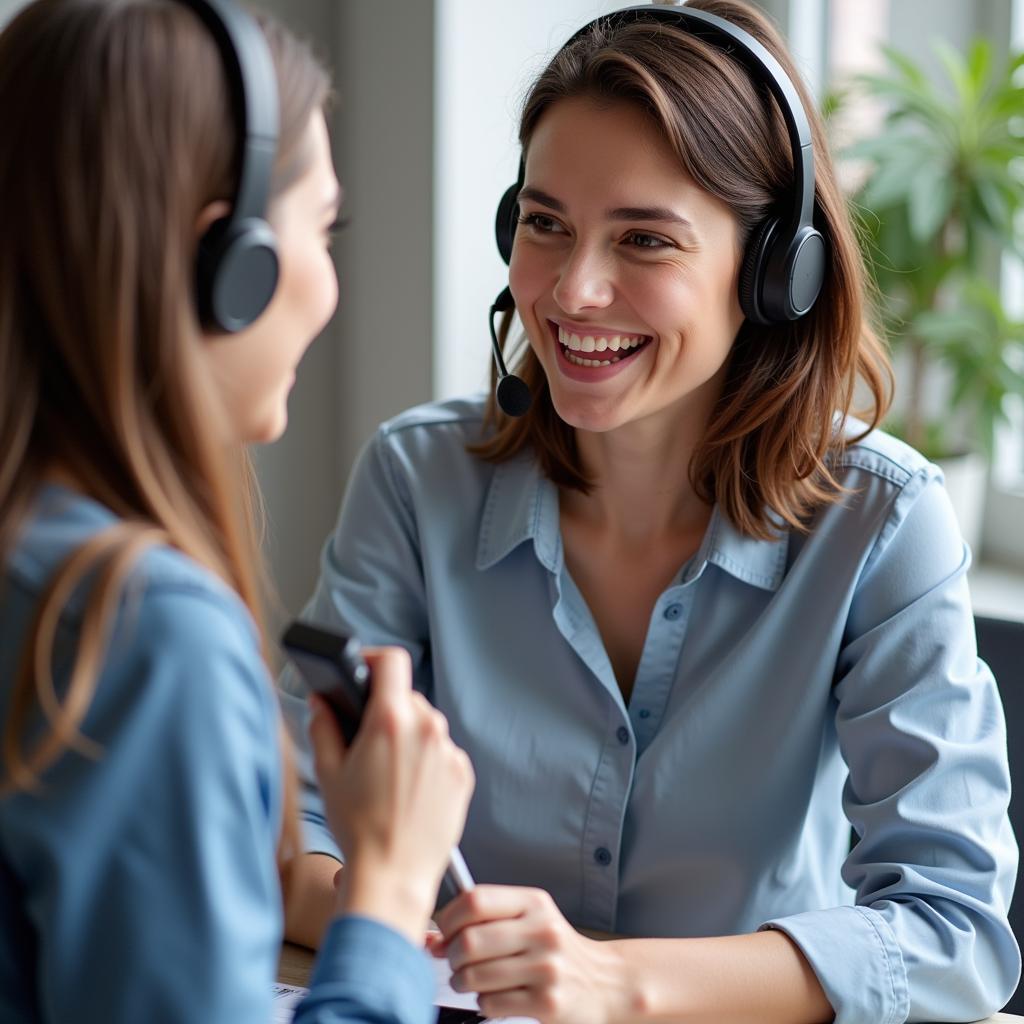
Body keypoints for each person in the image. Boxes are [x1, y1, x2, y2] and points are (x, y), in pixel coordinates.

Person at [278, 1, 1022, 1022]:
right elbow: (292, 828)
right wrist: (443, 940)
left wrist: (609, 980)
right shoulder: (416, 481)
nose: (575, 290)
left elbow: (955, 934)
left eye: (645, 240)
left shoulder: (880, 524)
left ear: (771, 274)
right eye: (546, 224)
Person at [0, 2, 474, 1023]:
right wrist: (389, 881)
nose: (334, 286)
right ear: (231, 267)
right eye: (324, 229)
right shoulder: (140, 632)